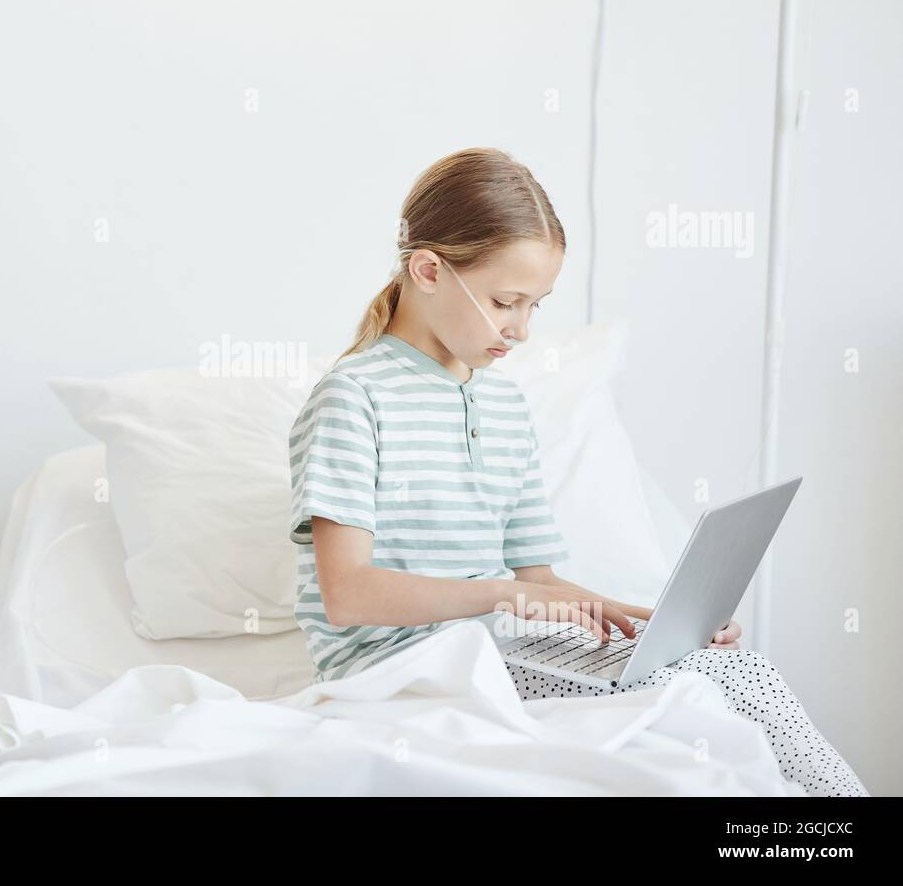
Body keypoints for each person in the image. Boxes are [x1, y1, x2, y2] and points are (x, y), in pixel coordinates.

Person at [286, 147, 869, 796]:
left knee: (724, 671)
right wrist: (504, 597)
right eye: (506, 302)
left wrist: (655, 623)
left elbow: (540, 581)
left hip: (498, 648)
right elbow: (347, 594)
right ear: (428, 270)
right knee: (703, 694)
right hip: (405, 669)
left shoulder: (503, 404)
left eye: (536, 305)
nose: (522, 330)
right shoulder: (354, 396)